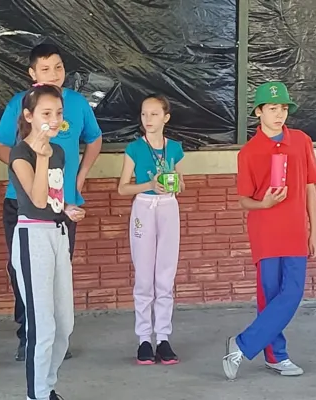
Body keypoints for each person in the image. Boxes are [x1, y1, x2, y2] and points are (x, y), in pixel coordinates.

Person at [0, 43, 103, 361]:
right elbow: (1, 146)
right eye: (45, 69)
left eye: (58, 67)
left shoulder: (78, 103)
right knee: (23, 271)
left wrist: (80, 177)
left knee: (57, 270)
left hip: (63, 205)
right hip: (22, 204)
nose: (53, 74)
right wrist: (22, 168)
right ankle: (28, 334)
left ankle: (53, 335)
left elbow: (95, 138)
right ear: (32, 74)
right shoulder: (20, 104)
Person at [222, 81, 316, 380]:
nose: (279, 115)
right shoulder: (249, 152)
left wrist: (313, 230)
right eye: (273, 108)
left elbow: (310, 187)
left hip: (294, 231)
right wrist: (263, 203)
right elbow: (243, 200)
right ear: (259, 112)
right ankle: (276, 356)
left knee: (292, 293)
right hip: (265, 232)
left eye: (284, 109)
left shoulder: (302, 141)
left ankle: (241, 344)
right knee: (269, 296)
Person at [9, 83, 85, 400]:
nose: (53, 120)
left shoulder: (61, 152)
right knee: (42, 326)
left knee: (64, 324)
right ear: (29, 115)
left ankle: (47, 386)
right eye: (45, 113)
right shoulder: (21, 153)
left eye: (58, 114)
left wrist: (67, 209)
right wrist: (41, 156)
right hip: (32, 237)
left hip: (57, 233)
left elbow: (52, 199)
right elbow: (36, 198)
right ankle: (37, 393)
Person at [117, 94, 185, 365]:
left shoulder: (176, 148)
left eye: (155, 114)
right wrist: (149, 185)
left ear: (166, 117)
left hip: (168, 206)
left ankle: (164, 338)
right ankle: (144, 338)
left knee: (166, 275)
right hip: (144, 207)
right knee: (144, 275)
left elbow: (183, 184)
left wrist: (173, 183)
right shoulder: (134, 149)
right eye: (145, 114)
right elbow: (123, 188)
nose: (149, 119)